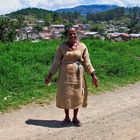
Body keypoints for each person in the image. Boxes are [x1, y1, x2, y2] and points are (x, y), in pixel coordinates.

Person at [45, 27, 98, 127]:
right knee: (66, 95)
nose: (72, 35)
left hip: (78, 75)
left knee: (77, 95)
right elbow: (56, 62)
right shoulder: (61, 47)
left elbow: (87, 62)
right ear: (67, 35)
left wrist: (93, 75)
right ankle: (66, 117)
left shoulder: (82, 46)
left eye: (74, 33)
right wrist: (49, 76)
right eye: (70, 34)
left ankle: (75, 118)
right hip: (65, 75)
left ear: (76, 34)